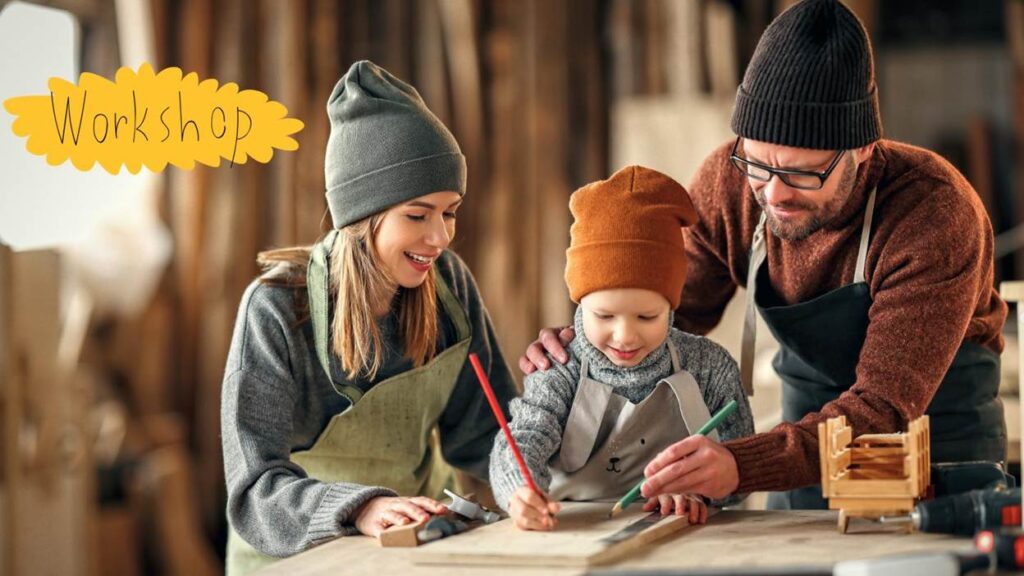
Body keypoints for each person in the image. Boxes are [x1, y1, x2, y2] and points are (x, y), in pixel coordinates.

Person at [520, 0, 1007, 510]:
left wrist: (741, 464)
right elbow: (666, 315)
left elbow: (883, 407)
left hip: (933, 447)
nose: (773, 195)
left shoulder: (933, 212)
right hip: (799, 444)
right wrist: (586, 344)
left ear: (862, 149)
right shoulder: (729, 184)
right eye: (757, 162)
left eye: (802, 172)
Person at [221, 60, 517, 575]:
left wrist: (531, 475)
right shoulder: (273, 310)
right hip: (294, 559)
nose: (441, 237)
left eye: (450, 212)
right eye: (418, 215)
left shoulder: (449, 288)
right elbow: (255, 489)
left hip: (415, 553)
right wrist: (360, 507)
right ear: (362, 215)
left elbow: (489, 435)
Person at [490, 166, 753, 531]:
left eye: (647, 316)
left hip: (684, 536)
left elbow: (743, 464)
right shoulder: (559, 367)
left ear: (673, 307)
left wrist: (701, 494)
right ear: (579, 305)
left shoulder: (710, 366)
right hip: (571, 534)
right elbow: (525, 439)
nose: (625, 336)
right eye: (604, 315)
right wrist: (521, 490)